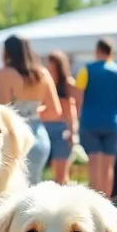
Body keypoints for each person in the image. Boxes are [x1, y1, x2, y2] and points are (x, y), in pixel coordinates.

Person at [0, 35, 60, 185]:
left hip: (16, 138)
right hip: (39, 136)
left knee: (12, 187)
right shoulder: (42, 73)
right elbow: (55, 111)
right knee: (34, 185)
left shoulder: (5, 74)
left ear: (7, 52)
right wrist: (34, 112)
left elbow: (2, 110)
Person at [74, 38, 117, 197]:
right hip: (112, 123)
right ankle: (106, 199)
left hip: (90, 121)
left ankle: (95, 198)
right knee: (108, 165)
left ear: (97, 51)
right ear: (111, 52)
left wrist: (77, 116)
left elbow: (78, 96)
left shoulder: (86, 71)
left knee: (94, 162)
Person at [44, 51, 80, 185]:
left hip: (61, 129)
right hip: (45, 127)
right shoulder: (44, 81)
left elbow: (72, 109)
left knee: (62, 175)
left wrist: (73, 131)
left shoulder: (68, 83)